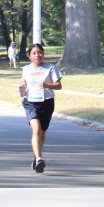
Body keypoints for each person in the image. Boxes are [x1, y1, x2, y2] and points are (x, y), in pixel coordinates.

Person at [17, 43, 62, 173]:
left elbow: (59, 86)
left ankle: (36, 157)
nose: (37, 55)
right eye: (34, 53)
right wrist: (22, 88)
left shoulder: (51, 68)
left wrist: (47, 85)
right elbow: (24, 82)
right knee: (36, 129)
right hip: (30, 102)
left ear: (43, 54)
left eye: (39, 52)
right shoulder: (26, 69)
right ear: (30, 56)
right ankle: (39, 159)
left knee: (42, 132)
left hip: (47, 102)